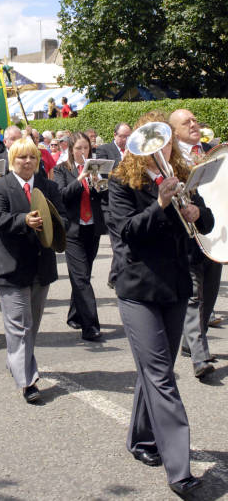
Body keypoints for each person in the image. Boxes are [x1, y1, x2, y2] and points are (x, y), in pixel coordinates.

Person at [108, 111, 213, 496]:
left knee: (155, 371)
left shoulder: (182, 177)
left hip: (174, 287)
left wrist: (196, 212)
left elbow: (207, 224)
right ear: (138, 146)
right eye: (153, 140)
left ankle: (141, 439)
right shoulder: (121, 183)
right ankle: (180, 469)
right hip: (137, 289)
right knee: (161, 377)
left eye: (166, 139)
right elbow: (128, 232)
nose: (161, 146)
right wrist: (161, 204)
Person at [0, 138, 66, 403]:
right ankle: (27, 381)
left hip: (41, 267)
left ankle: (17, 363)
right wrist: (23, 220)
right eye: (21, 158)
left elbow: (63, 218)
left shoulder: (49, 187)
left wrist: (56, 226)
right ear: (12, 160)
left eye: (32, 157)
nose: (28, 162)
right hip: (11, 267)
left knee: (32, 325)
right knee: (19, 325)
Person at [169, 108, 222, 380]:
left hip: (214, 232)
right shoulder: (170, 157)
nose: (193, 124)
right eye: (185, 122)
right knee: (193, 296)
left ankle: (190, 342)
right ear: (174, 131)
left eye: (194, 120)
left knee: (210, 294)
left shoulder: (214, 151)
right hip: (186, 235)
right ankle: (200, 357)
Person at [54, 132, 106, 340]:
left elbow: (106, 195)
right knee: (82, 277)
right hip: (73, 229)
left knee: (83, 274)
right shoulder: (61, 170)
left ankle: (75, 315)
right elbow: (61, 195)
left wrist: (98, 183)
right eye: (78, 149)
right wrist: (81, 178)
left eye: (86, 148)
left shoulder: (98, 168)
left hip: (91, 227)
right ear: (70, 150)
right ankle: (90, 325)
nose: (83, 152)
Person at [96, 122, 132, 289]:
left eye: (128, 136)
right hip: (109, 202)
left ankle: (114, 276)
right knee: (119, 243)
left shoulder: (133, 150)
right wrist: (124, 163)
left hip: (128, 202)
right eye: (122, 136)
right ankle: (123, 280)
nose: (125, 140)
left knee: (123, 242)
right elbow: (103, 174)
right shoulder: (105, 150)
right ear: (115, 135)